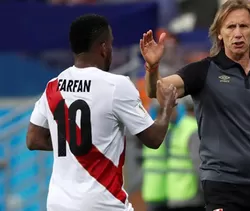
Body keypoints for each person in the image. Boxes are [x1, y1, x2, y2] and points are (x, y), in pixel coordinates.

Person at [139, 0, 250, 210]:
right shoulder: (202, 72)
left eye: (244, 26)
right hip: (222, 185)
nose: (237, 33)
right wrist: (152, 67)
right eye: (231, 27)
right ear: (219, 33)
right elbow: (155, 91)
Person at [26, 14, 177, 211]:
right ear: (104, 47)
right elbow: (154, 139)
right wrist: (166, 107)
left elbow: (33, 139)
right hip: (102, 204)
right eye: (111, 44)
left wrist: (78, 146)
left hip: (58, 204)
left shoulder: (53, 86)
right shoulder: (116, 86)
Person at [167, 96, 204, 211]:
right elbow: (198, 163)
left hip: (175, 191)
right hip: (191, 193)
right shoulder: (194, 129)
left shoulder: (180, 126)